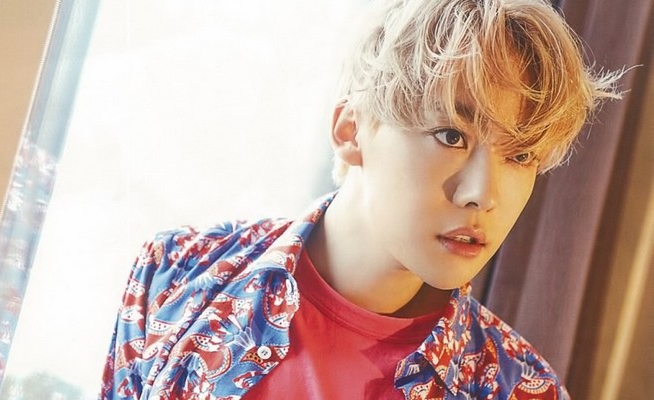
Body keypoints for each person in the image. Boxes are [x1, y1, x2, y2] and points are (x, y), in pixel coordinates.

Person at [99, 0, 623, 398]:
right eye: (451, 135)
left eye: (520, 155)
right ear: (351, 129)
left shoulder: (519, 389)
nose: (482, 195)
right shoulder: (178, 272)